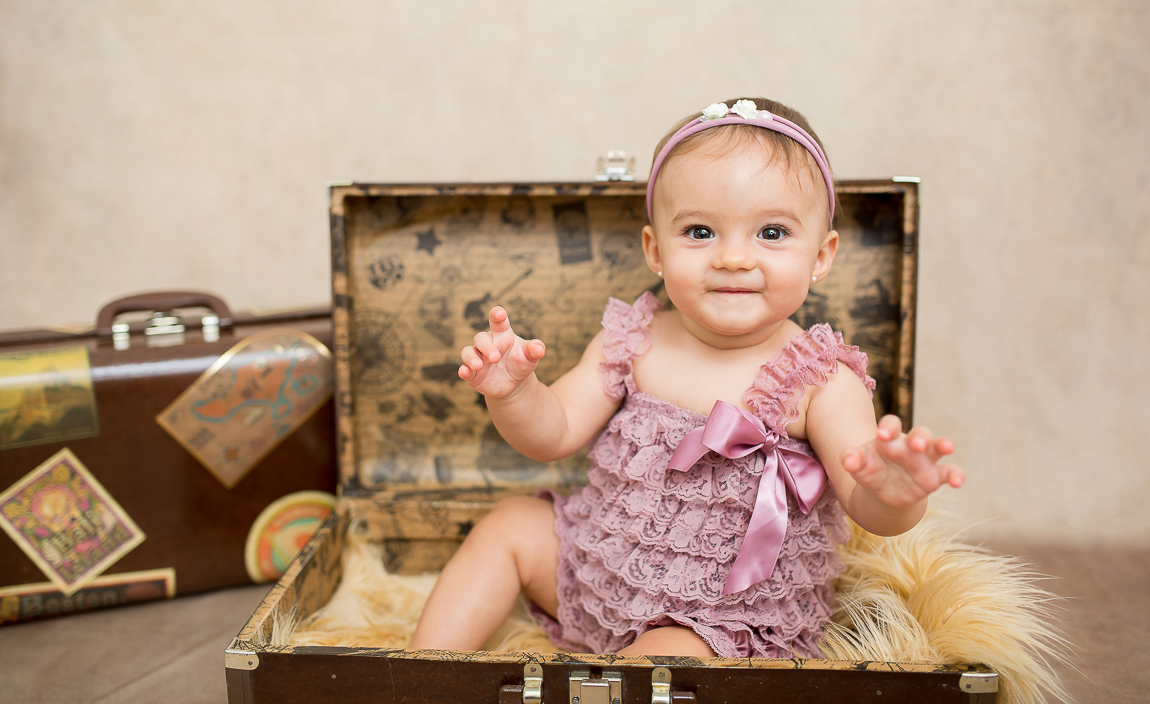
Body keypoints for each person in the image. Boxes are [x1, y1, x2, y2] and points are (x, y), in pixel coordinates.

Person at [409, 97, 964, 658]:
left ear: (821, 256)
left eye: (771, 234)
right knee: (509, 525)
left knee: (664, 660)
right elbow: (553, 434)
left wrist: (893, 495)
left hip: (722, 614)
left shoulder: (820, 378)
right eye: (700, 232)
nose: (732, 258)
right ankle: (414, 677)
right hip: (603, 567)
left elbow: (866, 505)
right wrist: (516, 393)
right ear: (656, 248)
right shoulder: (634, 338)